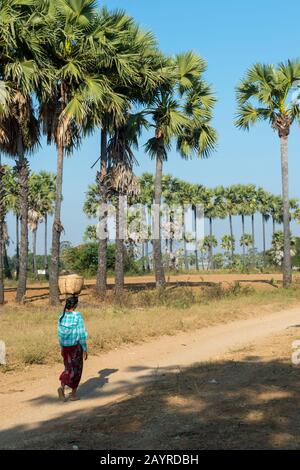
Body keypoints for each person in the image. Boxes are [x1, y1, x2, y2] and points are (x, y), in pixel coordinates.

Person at [57, 296, 88, 401]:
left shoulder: (61, 316)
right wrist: (85, 348)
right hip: (76, 348)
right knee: (77, 370)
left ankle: (62, 387)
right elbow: (81, 333)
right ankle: (73, 395)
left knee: (68, 368)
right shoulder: (77, 316)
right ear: (75, 305)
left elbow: (60, 335)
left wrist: (61, 347)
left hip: (65, 348)